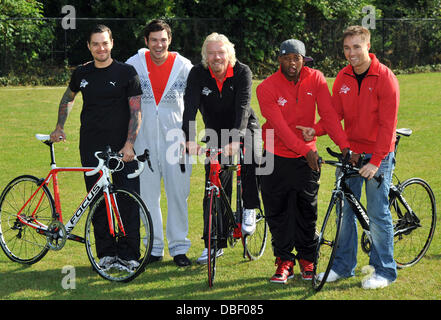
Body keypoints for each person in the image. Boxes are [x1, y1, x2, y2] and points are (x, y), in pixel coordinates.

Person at [49, 25, 143, 271]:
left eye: (105, 43)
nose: (101, 48)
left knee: (127, 199)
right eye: (95, 44)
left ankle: (130, 255)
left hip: (122, 148)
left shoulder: (127, 72)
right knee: (97, 200)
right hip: (91, 145)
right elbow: (68, 97)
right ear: (89, 46)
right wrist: (59, 126)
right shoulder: (82, 72)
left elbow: (136, 111)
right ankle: (106, 254)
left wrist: (130, 143)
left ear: (112, 43)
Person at [256, 39, 350, 284]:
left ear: (303, 59)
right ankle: (284, 261)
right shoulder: (266, 87)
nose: (291, 63)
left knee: (307, 210)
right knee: (278, 212)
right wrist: (304, 150)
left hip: (306, 158)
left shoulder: (316, 78)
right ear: (279, 60)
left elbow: (328, 115)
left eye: (296, 58)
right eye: (286, 58)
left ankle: (307, 259)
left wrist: (345, 146)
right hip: (274, 155)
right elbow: (280, 128)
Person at [316, 25, 400, 289]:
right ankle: (343, 267)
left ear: (367, 46)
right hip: (351, 154)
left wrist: (376, 161)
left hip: (378, 153)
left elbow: (388, 125)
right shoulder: (342, 77)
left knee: (377, 213)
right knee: (344, 211)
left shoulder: (385, 78)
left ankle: (384, 271)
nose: (351, 53)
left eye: (356, 47)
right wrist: (314, 130)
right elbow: (334, 115)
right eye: (346, 48)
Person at [182, 32, 262, 264]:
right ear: (205, 55)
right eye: (212, 53)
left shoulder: (241, 71)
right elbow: (189, 107)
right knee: (215, 183)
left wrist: (236, 139)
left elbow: (243, 107)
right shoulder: (198, 73)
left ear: (229, 53)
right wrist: (188, 138)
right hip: (216, 131)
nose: (216, 57)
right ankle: (213, 244)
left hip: (244, 125)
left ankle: (249, 208)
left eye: (221, 52)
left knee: (254, 158)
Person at [126, 19, 193, 267]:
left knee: (178, 195)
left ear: (170, 40)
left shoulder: (185, 66)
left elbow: (194, 106)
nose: (158, 44)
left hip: (177, 142)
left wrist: (191, 138)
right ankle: (153, 248)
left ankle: (179, 248)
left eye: (163, 39)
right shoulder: (134, 65)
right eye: (153, 40)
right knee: (147, 196)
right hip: (144, 142)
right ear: (146, 41)